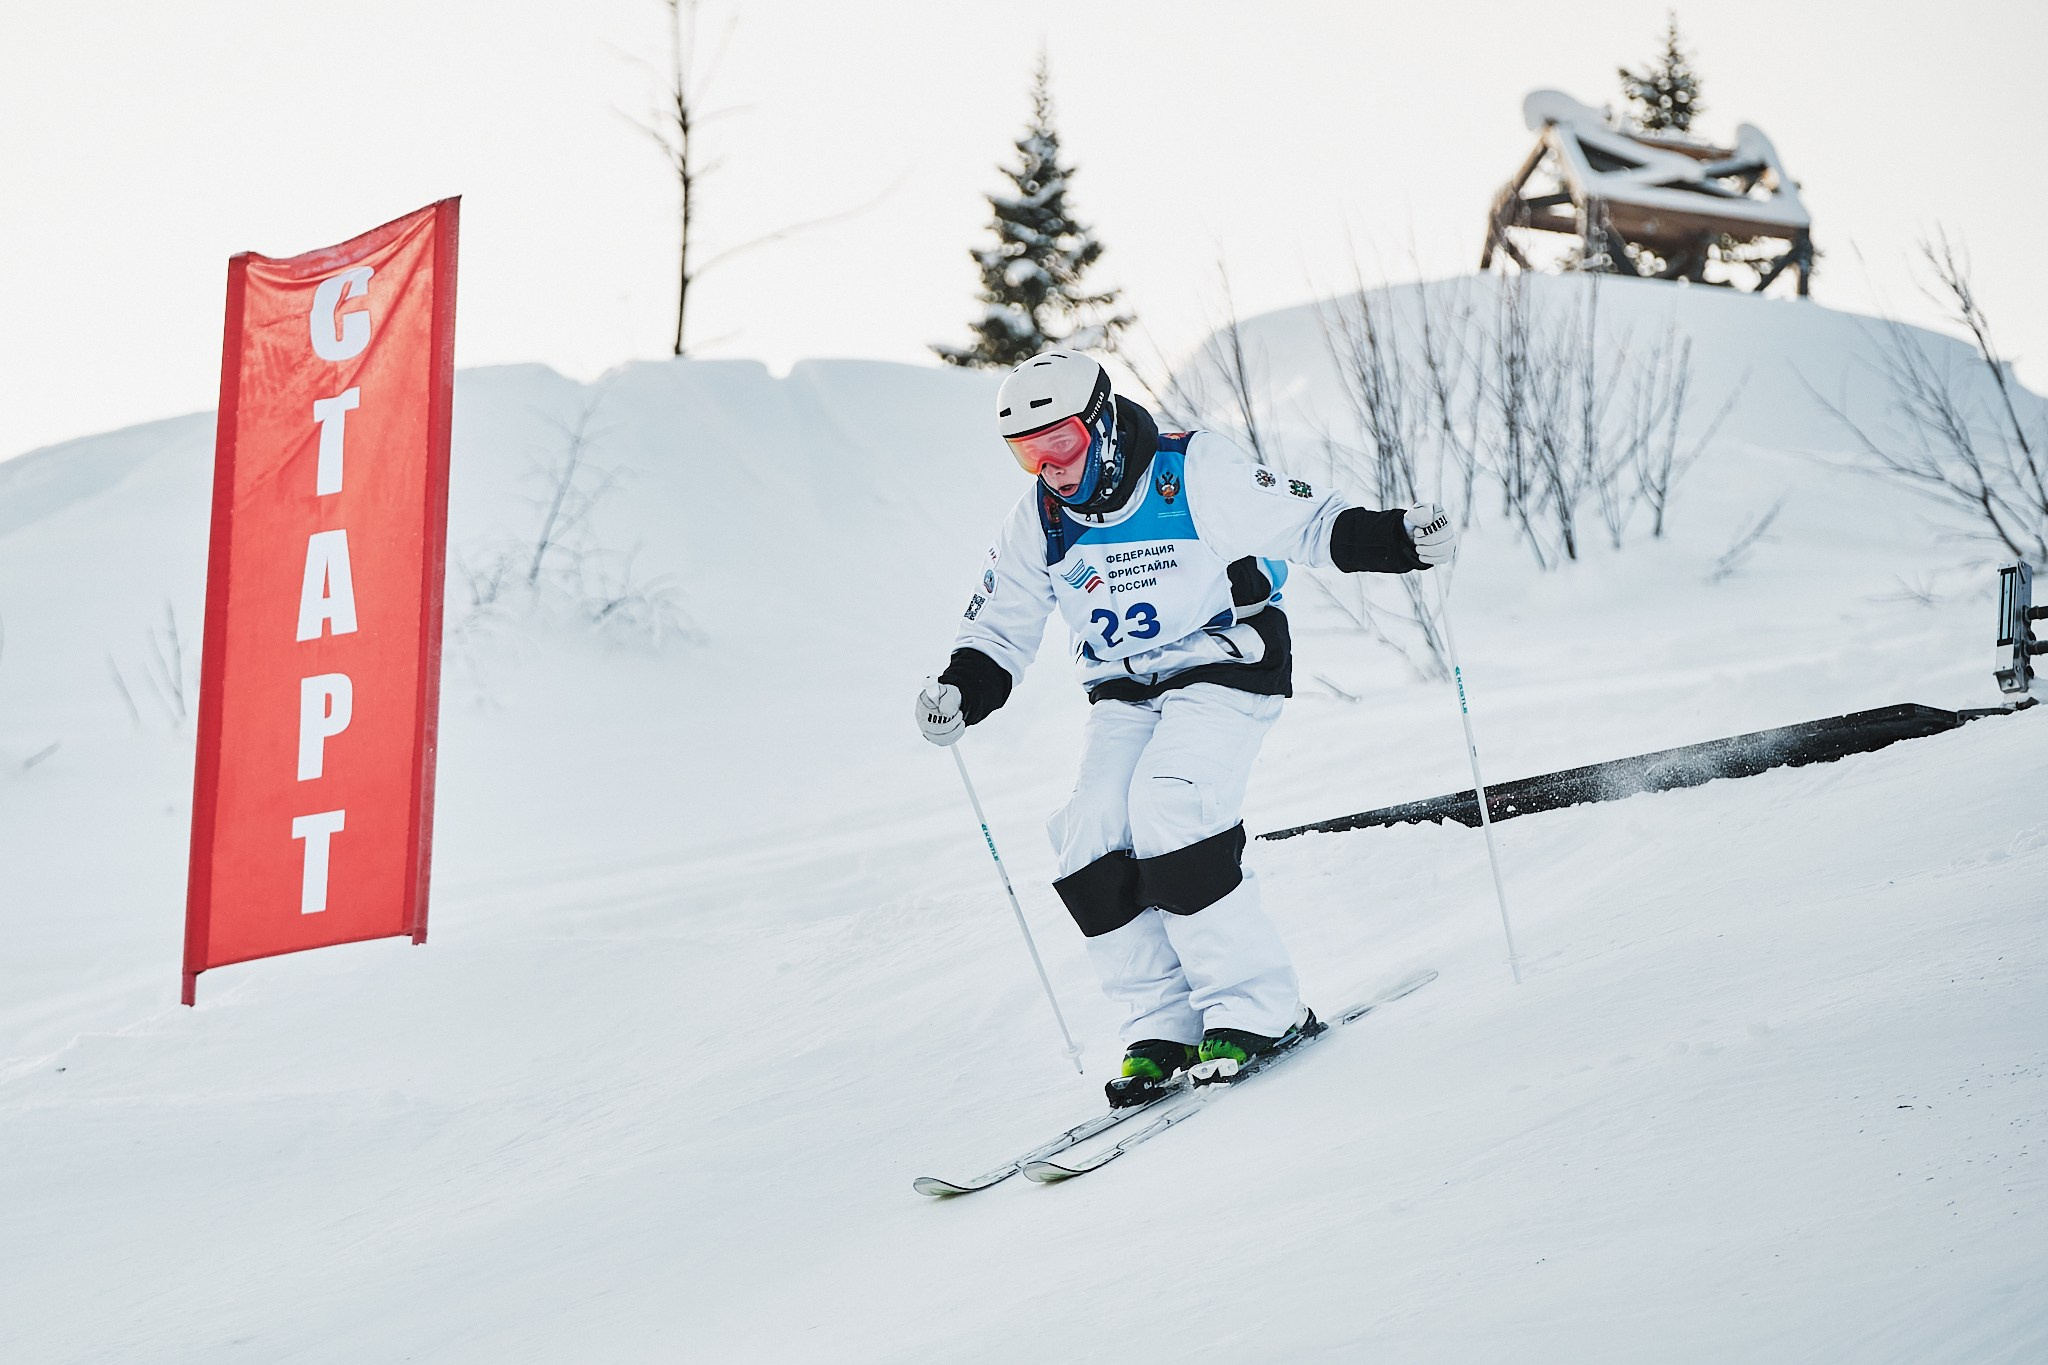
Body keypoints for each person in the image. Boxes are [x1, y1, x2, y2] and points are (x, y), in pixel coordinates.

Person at [915, 349, 1453, 1107]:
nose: (1050, 468)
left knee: (1171, 805)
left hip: (1227, 661)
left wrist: (1400, 537)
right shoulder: (1040, 518)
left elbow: (1307, 522)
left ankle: (1259, 1007)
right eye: (1027, 453)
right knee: (1089, 831)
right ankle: (1163, 1023)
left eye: (1061, 442)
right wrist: (959, 691)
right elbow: (1000, 628)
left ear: (1101, 423)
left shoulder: (1191, 470)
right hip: (1127, 689)